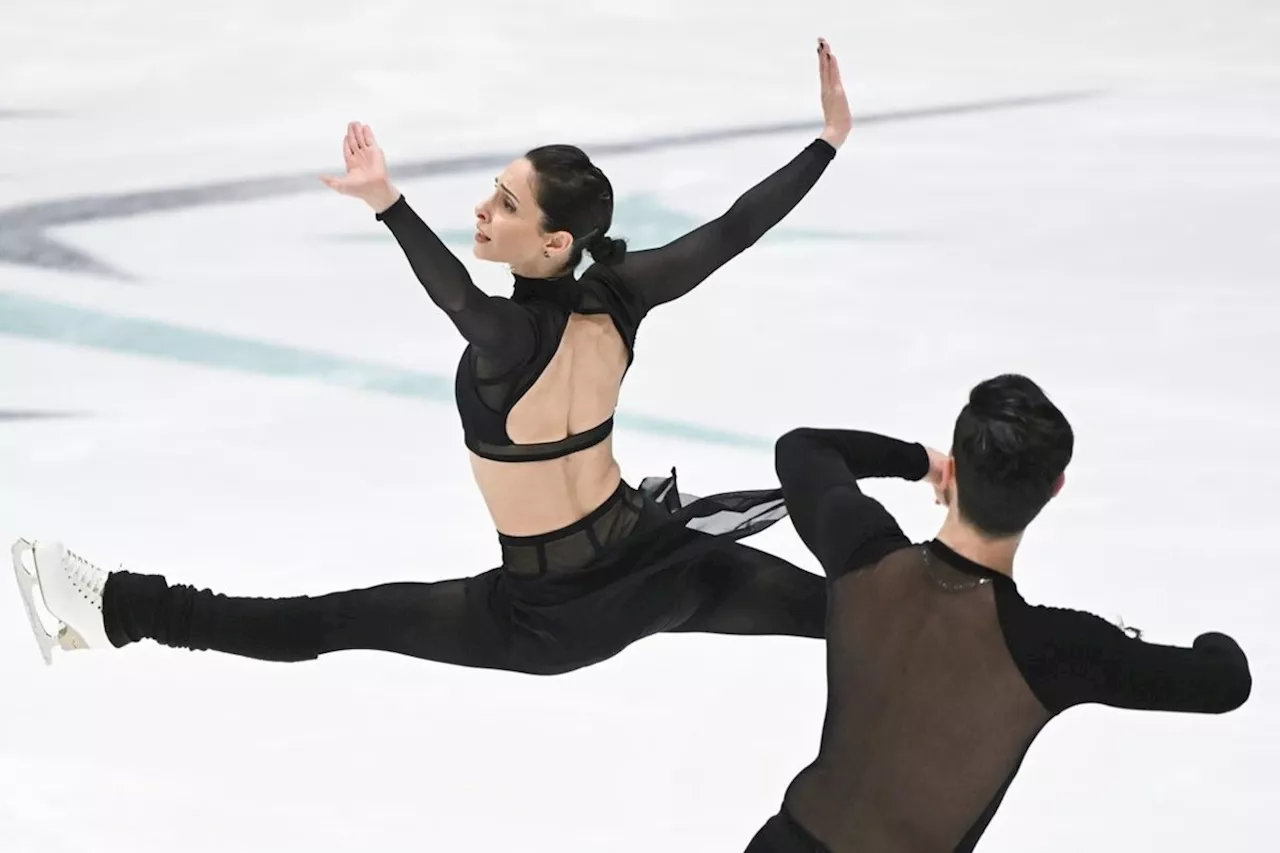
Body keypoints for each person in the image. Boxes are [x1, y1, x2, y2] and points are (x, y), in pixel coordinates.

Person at [12, 39, 851, 672]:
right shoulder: (623, 296)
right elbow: (737, 228)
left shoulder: (514, 338)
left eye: (506, 202)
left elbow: (460, 300)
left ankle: (112, 607)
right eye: (494, 189)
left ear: (554, 241)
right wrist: (827, 141)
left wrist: (390, 205)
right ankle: (972, 603)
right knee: (850, 610)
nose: (484, 209)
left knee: (332, 621)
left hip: (553, 616)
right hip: (655, 566)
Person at [745, 373, 1252, 853]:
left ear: (956, 470)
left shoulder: (862, 554)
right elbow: (1225, 681)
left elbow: (803, 447)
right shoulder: (1058, 648)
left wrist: (922, 462)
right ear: (1054, 489)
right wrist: (1211, 638)